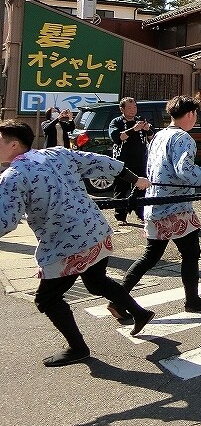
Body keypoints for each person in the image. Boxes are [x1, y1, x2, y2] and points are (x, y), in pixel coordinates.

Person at [0, 120, 155, 366]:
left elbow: (5, 220)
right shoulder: (56, 154)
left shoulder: (13, 176)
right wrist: (134, 179)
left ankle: (78, 348)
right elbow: (99, 161)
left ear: (14, 145)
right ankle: (140, 313)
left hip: (66, 244)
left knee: (47, 299)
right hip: (95, 230)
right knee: (96, 282)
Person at [120, 96, 201, 314]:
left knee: (150, 256)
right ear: (191, 114)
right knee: (191, 253)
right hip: (176, 206)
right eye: (195, 114)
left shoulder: (160, 134)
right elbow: (185, 171)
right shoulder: (184, 138)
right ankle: (192, 301)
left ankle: (118, 300)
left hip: (155, 202)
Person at [108, 97, 153, 223]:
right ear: (122, 109)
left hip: (141, 161)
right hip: (123, 161)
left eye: (134, 107)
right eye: (129, 107)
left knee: (141, 189)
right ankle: (120, 216)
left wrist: (147, 129)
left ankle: (141, 214)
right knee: (121, 190)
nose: (133, 110)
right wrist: (134, 129)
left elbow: (151, 137)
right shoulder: (116, 122)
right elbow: (117, 138)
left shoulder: (140, 120)